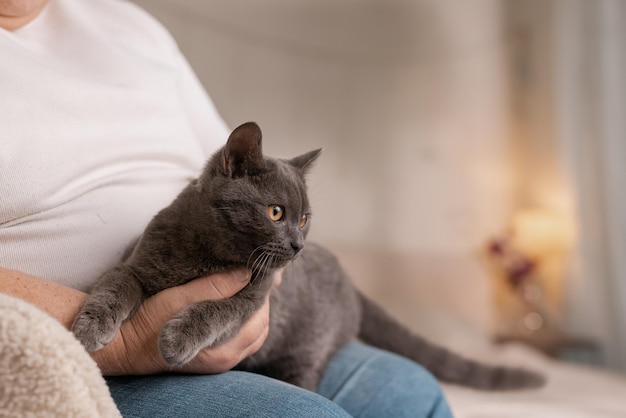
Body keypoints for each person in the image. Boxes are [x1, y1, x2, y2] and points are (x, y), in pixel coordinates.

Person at [0, 0, 454, 416]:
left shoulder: (131, 26)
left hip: (243, 324)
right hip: (64, 348)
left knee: (413, 393)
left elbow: (242, 168)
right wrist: (128, 342)